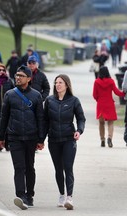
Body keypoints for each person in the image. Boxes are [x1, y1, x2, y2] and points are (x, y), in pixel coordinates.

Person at [0, 65, 45, 210]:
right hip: (15, 137)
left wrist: (41, 139)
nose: (17, 77)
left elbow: (40, 118)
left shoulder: (36, 95)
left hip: (31, 137)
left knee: (29, 167)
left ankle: (30, 195)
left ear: (29, 79)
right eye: (17, 75)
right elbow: (4, 116)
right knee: (19, 167)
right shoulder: (10, 94)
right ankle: (21, 196)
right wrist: (0, 137)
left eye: (21, 75)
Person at [44, 74, 86, 210]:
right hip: (54, 139)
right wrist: (40, 139)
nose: (57, 85)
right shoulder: (49, 101)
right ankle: (61, 194)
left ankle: (69, 197)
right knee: (58, 169)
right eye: (56, 83)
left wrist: (79, 130)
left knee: (68, 167)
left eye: (60, 82)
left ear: (66, 85)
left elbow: (81, 118)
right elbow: (44, 121)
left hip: (69, 139)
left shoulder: (74, 101)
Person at [92, 66, 125, 148]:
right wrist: (124, 93)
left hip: (101, 103)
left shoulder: (96, 82)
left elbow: (94, 95)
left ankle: (102, 139)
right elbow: (117, 92)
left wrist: (98, 100)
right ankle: (110, 138)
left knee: (101, 123)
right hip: (109, 103)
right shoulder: (111, 81)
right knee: (110, 122)